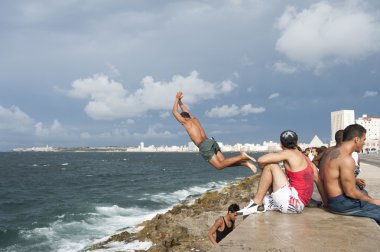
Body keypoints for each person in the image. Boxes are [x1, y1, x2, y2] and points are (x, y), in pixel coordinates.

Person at [238, 130, 326, 215]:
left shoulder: (288, 153)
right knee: (265, 199)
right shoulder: (306, 159)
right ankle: (259, 204)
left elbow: (261, 160)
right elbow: (318, 181)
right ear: (297, 143)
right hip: (300, 202)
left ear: (280, 144)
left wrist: (264, 169)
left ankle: (256, 204)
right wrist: (326, 203)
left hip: (292, 204)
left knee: (271, 166)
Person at [172, 91, 257, 172]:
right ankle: (245, 163)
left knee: (219, 166)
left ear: (182, 119)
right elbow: (185, 110)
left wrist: (176, 98)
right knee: (223, 162)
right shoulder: (194, 119)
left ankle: (241, 157)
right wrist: (180, 101)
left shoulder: (186, 122)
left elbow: (174, 112)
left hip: (204, 146)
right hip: (210, 141)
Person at [320, 124, 380, 224]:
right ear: (356, 139)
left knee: (361, 190)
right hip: (342, 203)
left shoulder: (331, 152)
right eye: (364, 140)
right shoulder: (346, 159)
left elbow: (328, 177)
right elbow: (350, 192)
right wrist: (373, 201)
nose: (364, 143)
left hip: (332, 200)